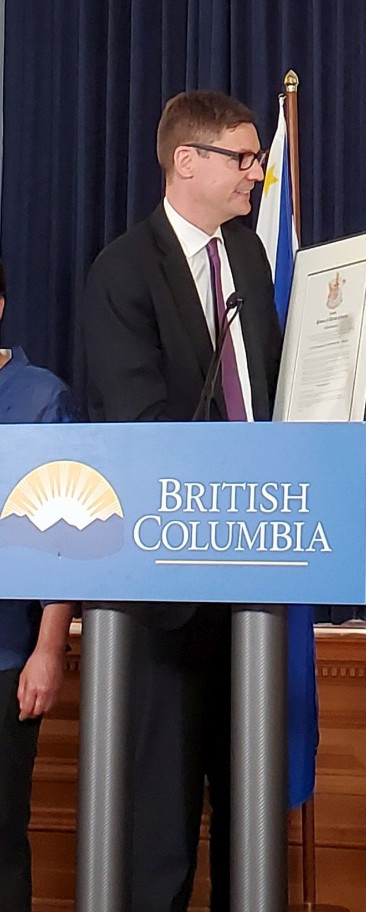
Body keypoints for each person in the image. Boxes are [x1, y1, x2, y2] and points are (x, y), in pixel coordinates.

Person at [82, 91, 281, 912]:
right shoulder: (124, 270)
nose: (256, 172)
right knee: (160, 833)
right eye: (242, 157)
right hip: (166, 595)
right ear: (186, 162)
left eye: (256, 157)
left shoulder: (254, 261)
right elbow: (137, 428)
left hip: (256, 590)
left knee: (251, 820)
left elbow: (268, 400)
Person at [0, 259, 75, 912]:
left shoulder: (39, 397)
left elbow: (66, 539)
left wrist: (48, 649)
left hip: (5, 658)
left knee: (1, 836)